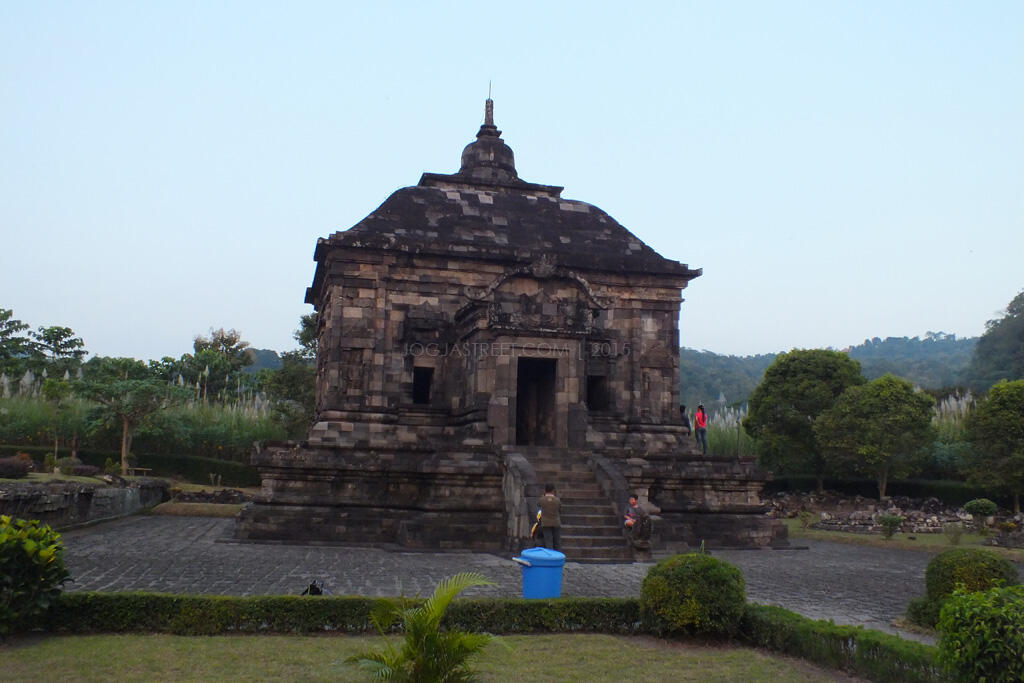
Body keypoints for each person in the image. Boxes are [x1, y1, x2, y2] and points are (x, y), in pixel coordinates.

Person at [538, 483, 562, 552]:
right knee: (557, 541)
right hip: (556, 522)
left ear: (545, 490)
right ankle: (558, 556)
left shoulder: (541, 500)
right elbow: (560, 510)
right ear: (553, 490)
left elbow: (538, 505)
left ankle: (550, 556)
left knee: (548, 541)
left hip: (545, 523)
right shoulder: (557, 500)